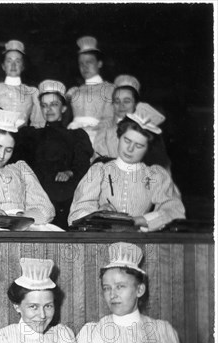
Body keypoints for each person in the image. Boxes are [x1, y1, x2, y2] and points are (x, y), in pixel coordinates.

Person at [68, 103, 185, 231]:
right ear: (119, 137)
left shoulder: (155, 175)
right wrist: (97, 214)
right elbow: (77, 212)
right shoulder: (99, 171)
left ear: (148, 149)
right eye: (127, 141)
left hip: (139, 241)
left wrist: (140, 221)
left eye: (139, 146)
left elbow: (174, 211)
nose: (130, 149)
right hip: (101, 239)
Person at [18, 80, 93, 229]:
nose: (48, 109)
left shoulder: (77, 135)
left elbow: (83, 163)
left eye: (54, 104)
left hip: (66, 194)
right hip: (37, 195)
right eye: (44, 105)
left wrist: (69, 172)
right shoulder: (31, 135)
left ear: (64, 108)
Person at [0, 40, 45, 128]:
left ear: (23, 66)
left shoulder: (32, 92)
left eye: (18, 61)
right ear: (3, 66)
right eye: (9, 61)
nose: (13, 65)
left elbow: (38, 123)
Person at [66, 36, 115, 145]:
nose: (85, 67)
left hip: (98, 140)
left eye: (89, 62)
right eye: (81, 63)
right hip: (72, 138)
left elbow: (110, 119)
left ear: (99, 63)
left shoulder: (110, 90)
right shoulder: (75, 91)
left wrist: (88, 132)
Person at [93, 75, 140, 160]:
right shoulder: (104, 130)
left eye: (127, 101)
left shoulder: (147, 130)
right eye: (117, 101)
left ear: (136, 104)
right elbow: (99, 158)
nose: (121, 106)